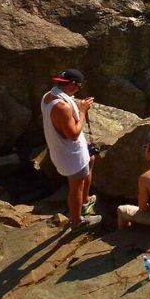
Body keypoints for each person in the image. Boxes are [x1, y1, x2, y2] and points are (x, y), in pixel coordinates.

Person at [41, 69, 101, 230]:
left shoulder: (48, 96)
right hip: (71, 154)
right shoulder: (62, 107)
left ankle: (86, 200)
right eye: (78, 86)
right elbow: (73, 134)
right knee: (76, 187)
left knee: (91, 159)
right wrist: (82, 111)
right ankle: (77, 221)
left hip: (61, 149)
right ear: (73, 85)